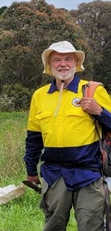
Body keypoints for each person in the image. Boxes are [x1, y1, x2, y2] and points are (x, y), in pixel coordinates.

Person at [24, 40, 111, 231]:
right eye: (57, 60)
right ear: (49, 65)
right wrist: (31, 170)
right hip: (54, 175)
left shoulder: (93, 90)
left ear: (76, 63)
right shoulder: (40, 96)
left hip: (88, 173)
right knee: (53, 225)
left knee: (91, 226)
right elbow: (34, 137)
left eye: (68, 59)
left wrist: (99, 112)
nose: (63, 64)